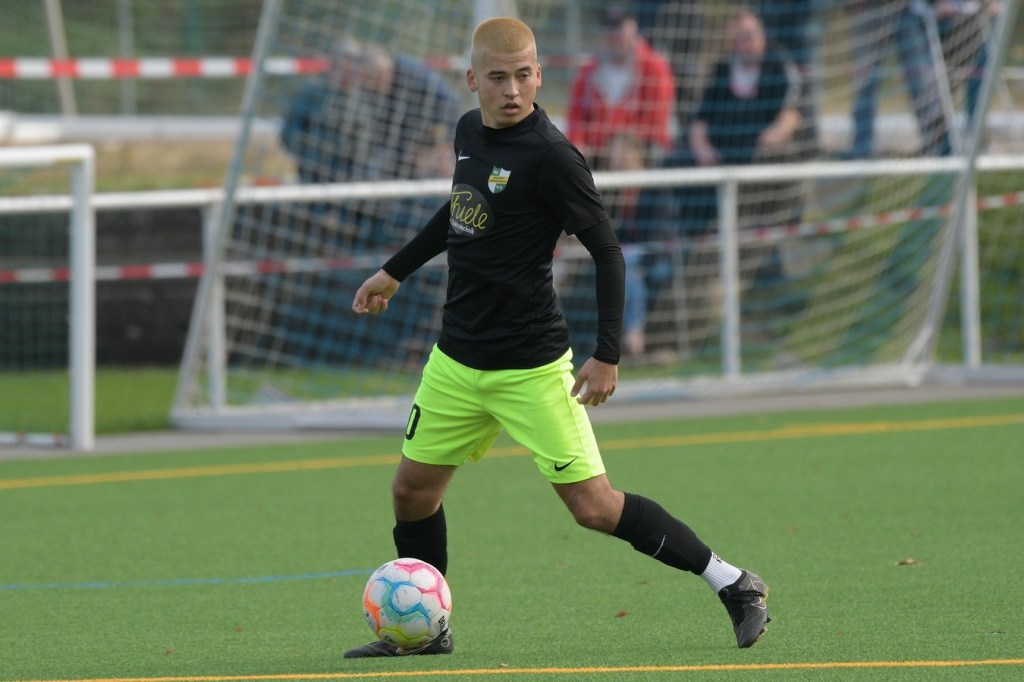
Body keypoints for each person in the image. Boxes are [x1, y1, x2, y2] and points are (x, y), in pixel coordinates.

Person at [345, 16, 770, 658]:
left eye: (523, 76)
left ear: (540, 75)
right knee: (411, 491)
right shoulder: (467, 133)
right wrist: (394, 270)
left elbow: (608, 252)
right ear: (473, 81)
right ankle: (428, 633)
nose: (512, 90)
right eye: (498, 78)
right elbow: (459, 209)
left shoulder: (554, 157)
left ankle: (733, 582)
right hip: (456, 361)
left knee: (594, 507)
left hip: (531, 368)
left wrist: (607, 353)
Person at [566, 5, 676, 357]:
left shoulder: (653, 68)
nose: (614, 36)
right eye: (608, 29)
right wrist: (587, 149)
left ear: (633, 29)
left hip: (642, 169)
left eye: (620, 27)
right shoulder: (590, 73)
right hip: (601, 171)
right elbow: (576, 124)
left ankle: (632, 343)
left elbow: (656, 127)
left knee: (628, 265)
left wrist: (619, 144)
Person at [678, 8, 805, 234]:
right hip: (722, 152)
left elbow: (791, 113)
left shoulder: (779, 65)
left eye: (748, 37)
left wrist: (774, 135)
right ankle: (692, 237)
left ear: (761, 35)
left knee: (775, 157)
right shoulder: (723, 69)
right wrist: (701, 147)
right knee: (681, 159)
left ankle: (753, 230)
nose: (743, 44)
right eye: (737, 39)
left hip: (758, 153)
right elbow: (700, 118)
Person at [844, 0, 952, 158]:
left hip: (906, 9)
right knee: (863, 84)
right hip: (867, 9)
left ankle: (938, 150)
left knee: (922, 83)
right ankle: (861, 153)